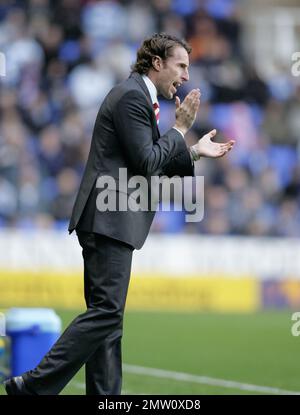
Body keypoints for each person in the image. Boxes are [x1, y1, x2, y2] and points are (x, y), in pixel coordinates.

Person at [4, 33, 234, 395]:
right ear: (157, 63)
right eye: (182, 66)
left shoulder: (140, 98)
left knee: (108, 323)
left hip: (111, 219)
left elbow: (148, 160)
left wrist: (193, 153)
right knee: (106, 314)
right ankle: (32, 386)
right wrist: (180, 129)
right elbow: (146, 163)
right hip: (108, 219)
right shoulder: (131, 97)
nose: (186, 76)